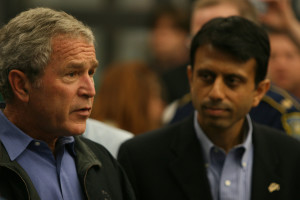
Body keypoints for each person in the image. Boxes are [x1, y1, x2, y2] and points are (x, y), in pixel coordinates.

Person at [118, 16, 300, 200]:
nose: (216, 93)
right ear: (190, 78)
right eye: (206, 76)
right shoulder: (141, 159)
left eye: (232, 81)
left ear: (259, 91)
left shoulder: (291, 159)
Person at [0, 7, 135, 200]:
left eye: (91, 73)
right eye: (72, 74)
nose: (90, 90)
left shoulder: (102, 162)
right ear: (21, 85)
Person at [164, 0, 300, 138]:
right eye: (198, 37)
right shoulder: (181, 113)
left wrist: (291, 26)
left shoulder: (277, 114)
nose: (216, 93)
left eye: (225, 33)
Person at [91, 61, 166, 135]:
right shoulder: (110, 140)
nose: (162, 104)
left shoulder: (95, 132)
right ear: (134, 101)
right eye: (154, 96)